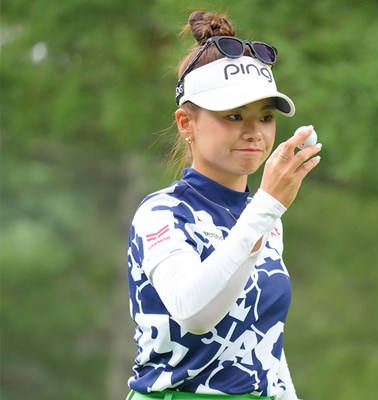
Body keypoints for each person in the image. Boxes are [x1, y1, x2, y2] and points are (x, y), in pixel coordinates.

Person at [125, 10, 320, 400]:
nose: (254, 132)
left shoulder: (264, 216)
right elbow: (194, 313)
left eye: (265, 117)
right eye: (234, 116)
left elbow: (264, 346)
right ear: (186, 123)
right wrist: (265, 207)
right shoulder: (161, 213)